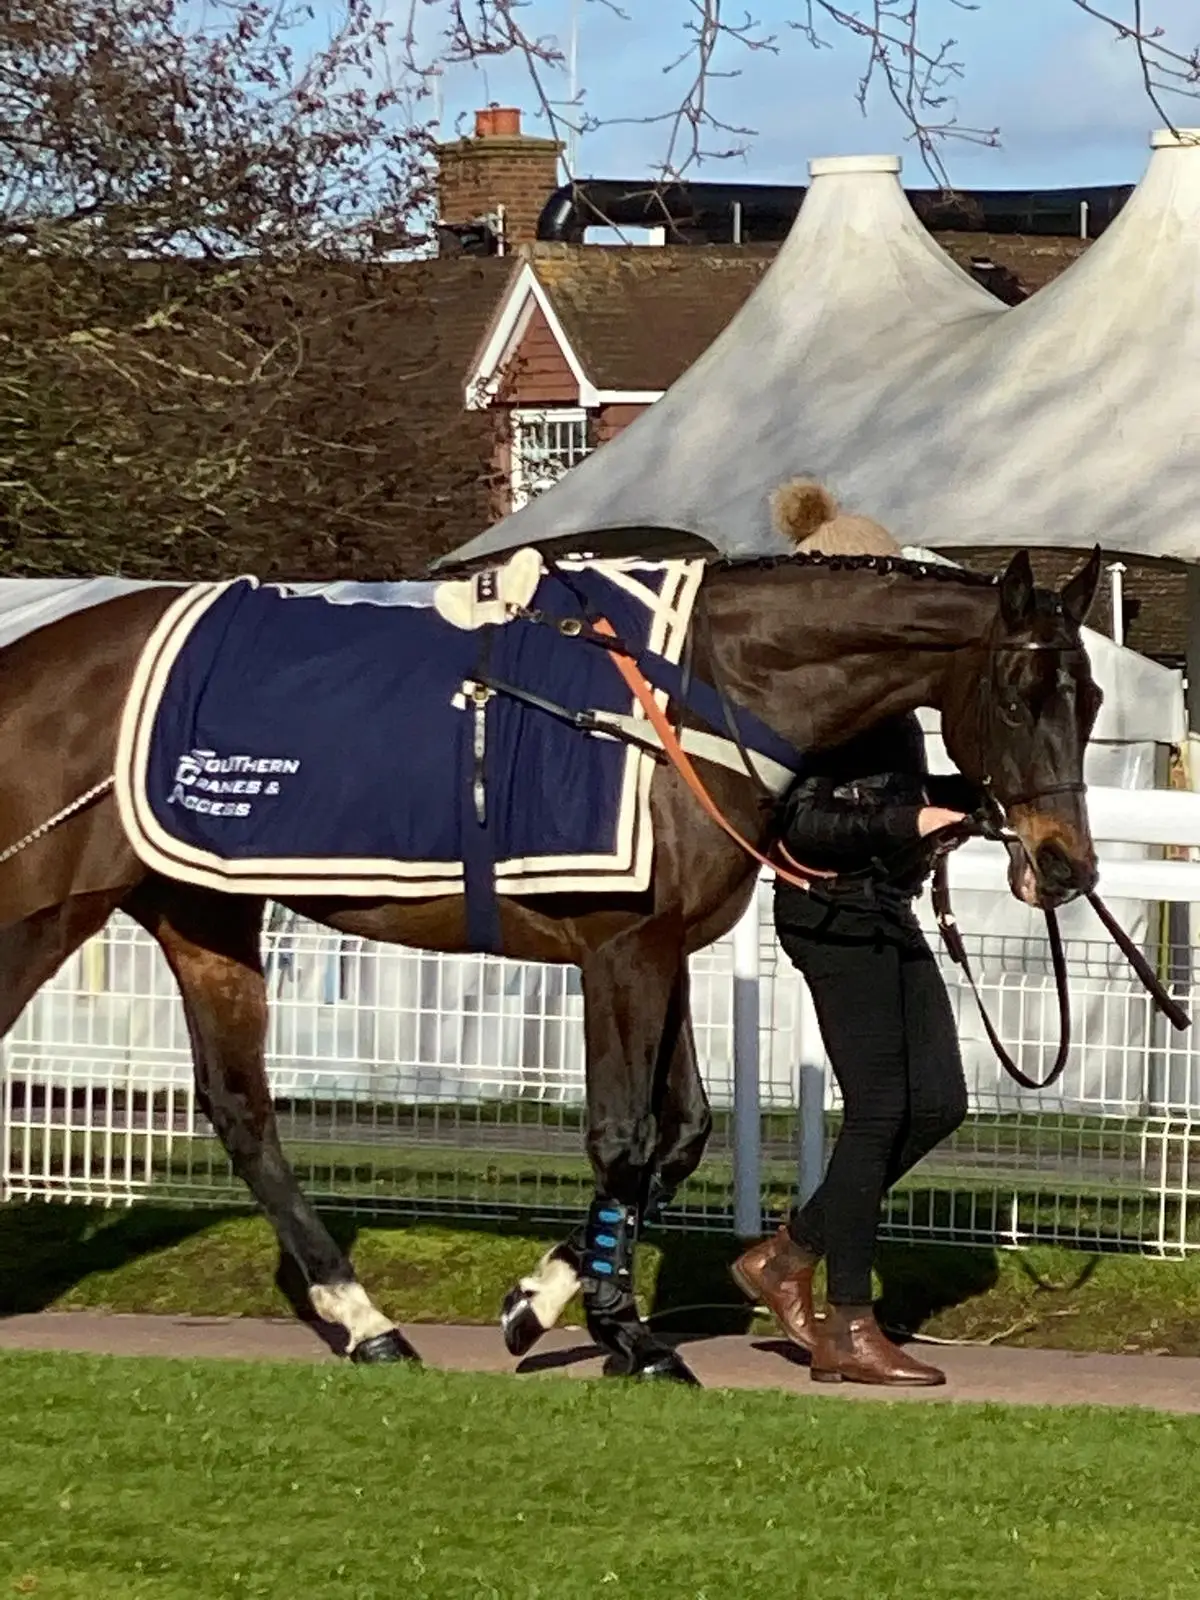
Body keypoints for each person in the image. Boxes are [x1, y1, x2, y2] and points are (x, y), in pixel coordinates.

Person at [731, 480, 985, 1387]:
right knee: (879, 1110)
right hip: (831, 913)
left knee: (940, 1102)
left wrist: (964, 802)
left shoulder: (885, 702)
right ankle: (847, 1323)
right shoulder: (805, 703)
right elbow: (798, 823)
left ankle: (788, 1254)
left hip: (885, 908)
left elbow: (897, 797)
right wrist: (903, 823)